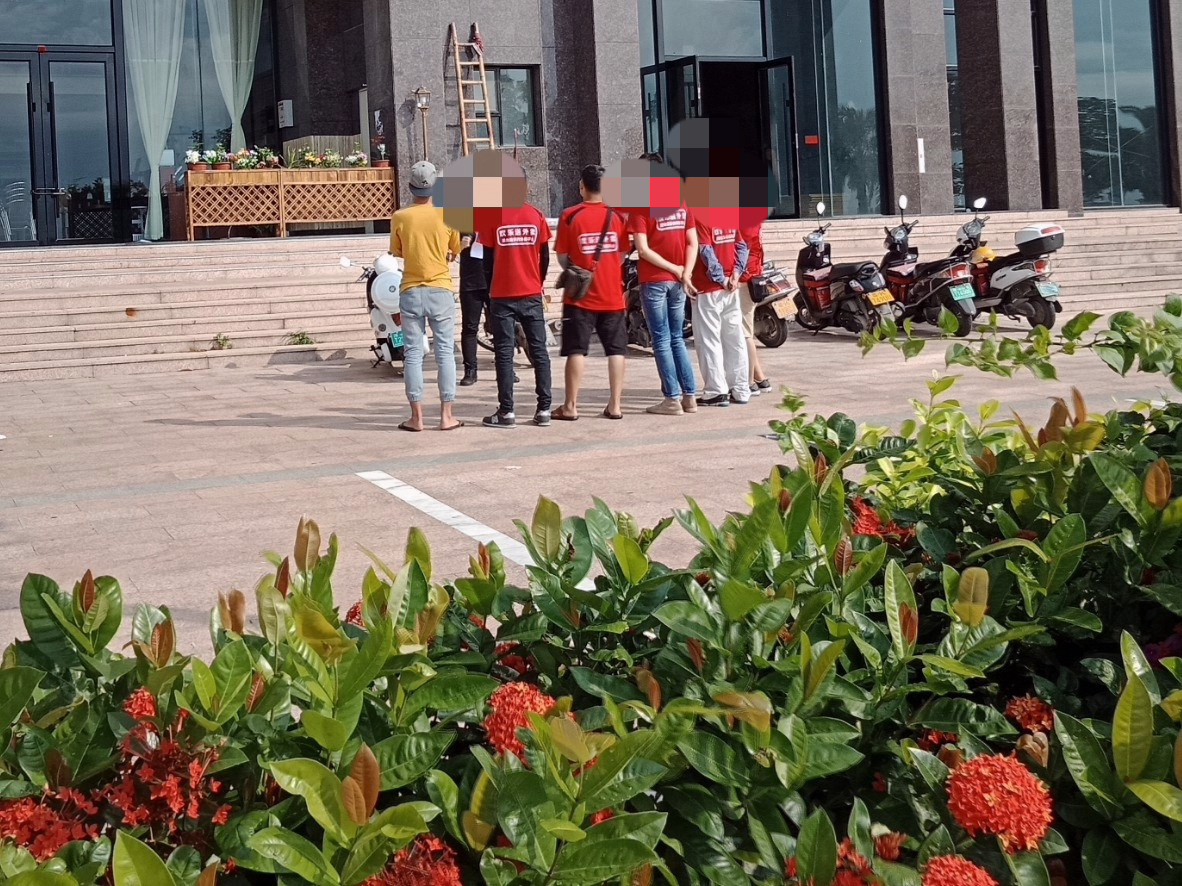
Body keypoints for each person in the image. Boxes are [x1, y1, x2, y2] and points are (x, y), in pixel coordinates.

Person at [390, 160, 463, 431]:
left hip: (410, 289)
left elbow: (398, 251)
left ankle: (417, 417)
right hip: (441, 289)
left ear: (411, 188)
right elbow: (456, 247)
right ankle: (446, 415)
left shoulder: (400, 217)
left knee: (413, 353)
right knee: (444, 352)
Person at [553, 165, 630, 421]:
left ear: (581, 186)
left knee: (576, 350)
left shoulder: (570, 215)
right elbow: (623, 254)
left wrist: (580, 270)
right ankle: (615, 405)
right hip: (612, 294)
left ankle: (570, 406)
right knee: (616, 350)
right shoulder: (619, 216)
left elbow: (563, 257)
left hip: (579, 296)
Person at [628, 156, 699, 416]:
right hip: (678, 282)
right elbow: (692, 242)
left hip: (656, 281)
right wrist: (685, 272)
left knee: (661, 340)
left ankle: (671, 399)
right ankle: (689, 396)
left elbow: (643, 250)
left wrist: (676, 270)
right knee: (677, 337)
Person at [478, 190, 553, 429]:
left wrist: (490, 290)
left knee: (504, 353)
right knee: (539, 351)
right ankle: (544, 409)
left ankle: (507, 411)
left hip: (502, 294)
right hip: (531, 293)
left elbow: (486, 262)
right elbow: (545, 256)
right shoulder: (536, 215)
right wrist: (537, 282)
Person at [691, 205, 750, 406]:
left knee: (709, 340)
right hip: (730, 288)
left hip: (709, 288)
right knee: (735, 339)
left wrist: (722, 279)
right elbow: (742, 247)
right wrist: (735, 275)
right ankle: (740, 388)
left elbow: (706, 252)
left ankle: (716, 391)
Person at [738, 220, 772, 394]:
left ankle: (749, 381)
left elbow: (741, 250)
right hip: (752, 278)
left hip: (744, 280)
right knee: (745, 330)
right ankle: (760, 377)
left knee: (744, 334)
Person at [458, 231, 488, 386]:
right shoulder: (462, 222)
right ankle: (470, 370)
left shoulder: (495, 220)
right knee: (470, 328)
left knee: (502, 328)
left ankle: (507, 368)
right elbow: (453, 245)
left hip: (494, 280)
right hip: (470, 281)